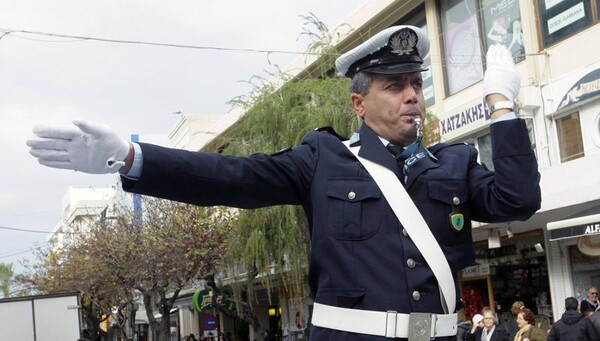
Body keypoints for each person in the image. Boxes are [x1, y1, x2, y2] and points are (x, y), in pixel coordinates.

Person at [26, 25, 541, 340]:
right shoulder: (324, 158)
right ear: (359, 103)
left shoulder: (452, 163)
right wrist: (132, 158)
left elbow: (518, 198)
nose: (412, 96)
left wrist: (501, 103)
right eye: (394, 86)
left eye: (416, 84)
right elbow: (235, 178)